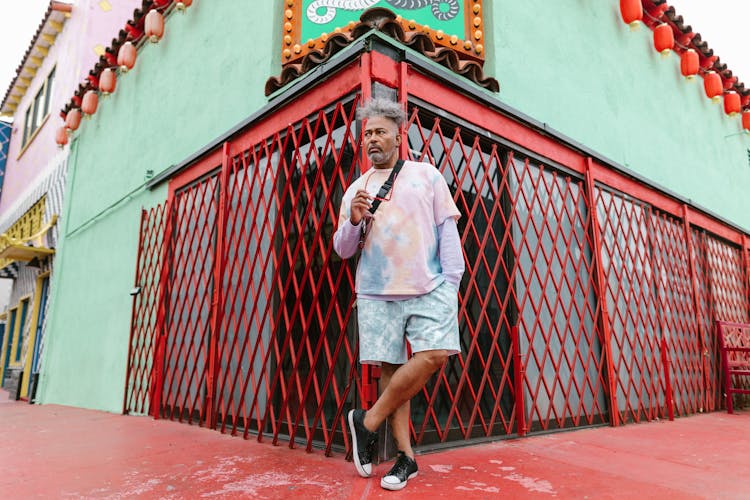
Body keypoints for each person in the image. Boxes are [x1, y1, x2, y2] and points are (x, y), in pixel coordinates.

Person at [333, 98, 464, 491]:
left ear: (397, 134)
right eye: (367, 133)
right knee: (392, 373)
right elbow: (342, 249)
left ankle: (366, 422)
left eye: (379, 132)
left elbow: (447, 229)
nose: (372, 139)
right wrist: (354, 221)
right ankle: (405, 460)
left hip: (429, 285)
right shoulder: (356, 188)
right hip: (377, 290)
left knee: (434, 355)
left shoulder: (427, 176)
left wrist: (452, 282)